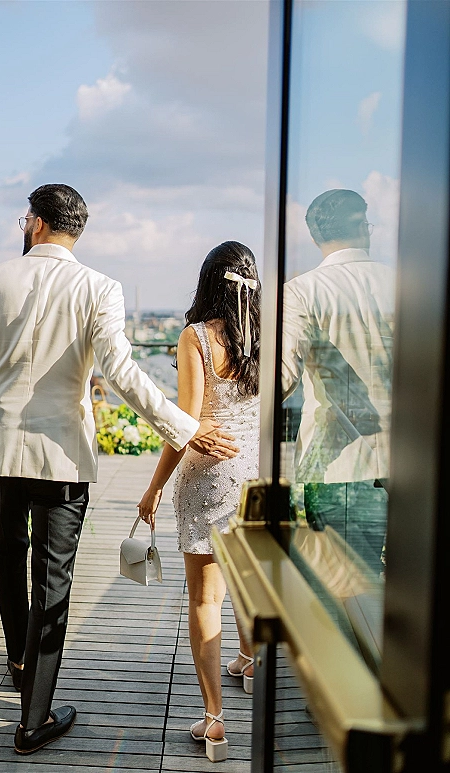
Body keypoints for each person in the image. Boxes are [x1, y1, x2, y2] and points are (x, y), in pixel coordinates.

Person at [0, 184, 239, 755]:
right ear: (74, 230)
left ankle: (18, 662)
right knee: (52, 577)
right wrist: (183, 428)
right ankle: (33, 718)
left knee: (9, 555)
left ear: (33, 223)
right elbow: (121, 372)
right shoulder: (99, 288)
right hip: (62, 457)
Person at [138, 241, 261, 762]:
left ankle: (213, 720)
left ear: (208, 281)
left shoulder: (196, 338)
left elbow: (184, 423)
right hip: (255, 474)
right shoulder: (265, 337)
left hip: (209, 478)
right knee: (249, 582)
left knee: (204, 598)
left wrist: (154, 486)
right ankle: (250, 662)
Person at [282, 189, 395, 575]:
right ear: (365, 229)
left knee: (341, 592)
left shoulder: (303, 291)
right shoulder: (402, 283)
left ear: (315, 237)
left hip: (337, 467)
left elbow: (282, 378)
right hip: (408, 459)